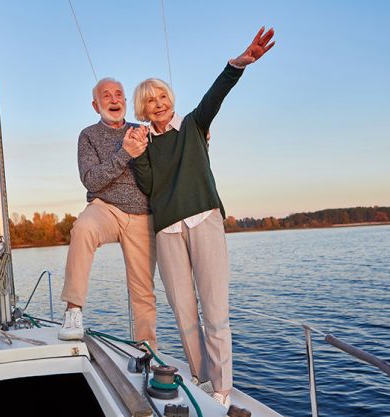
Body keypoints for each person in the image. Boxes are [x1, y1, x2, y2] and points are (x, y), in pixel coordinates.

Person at [130, 27, 275, 408]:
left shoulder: (195, 124)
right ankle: (201, 379)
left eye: (163, 96)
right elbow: (148, 186)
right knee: (183, 313)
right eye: (150, 100)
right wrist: (134, 154)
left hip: (204, 221)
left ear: (170, 99)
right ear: (142, 109)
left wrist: (238, 64)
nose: (158, 103)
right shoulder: (142, 143)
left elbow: (217, 94)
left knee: (214, 311)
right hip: (167, 231)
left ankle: (223, 389)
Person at [57, 78, 157, 349]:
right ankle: (73, 311)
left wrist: (201, 138)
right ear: (95, 104)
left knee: (143, 291)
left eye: (118, 95)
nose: (113, 100)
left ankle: (147, 348)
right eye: (106, 95)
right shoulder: (88, 135)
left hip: (142, 215)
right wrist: (124, 153)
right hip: (106, 208)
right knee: (83, 229)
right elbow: (91, 179)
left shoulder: (145, 131)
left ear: (125, 101)